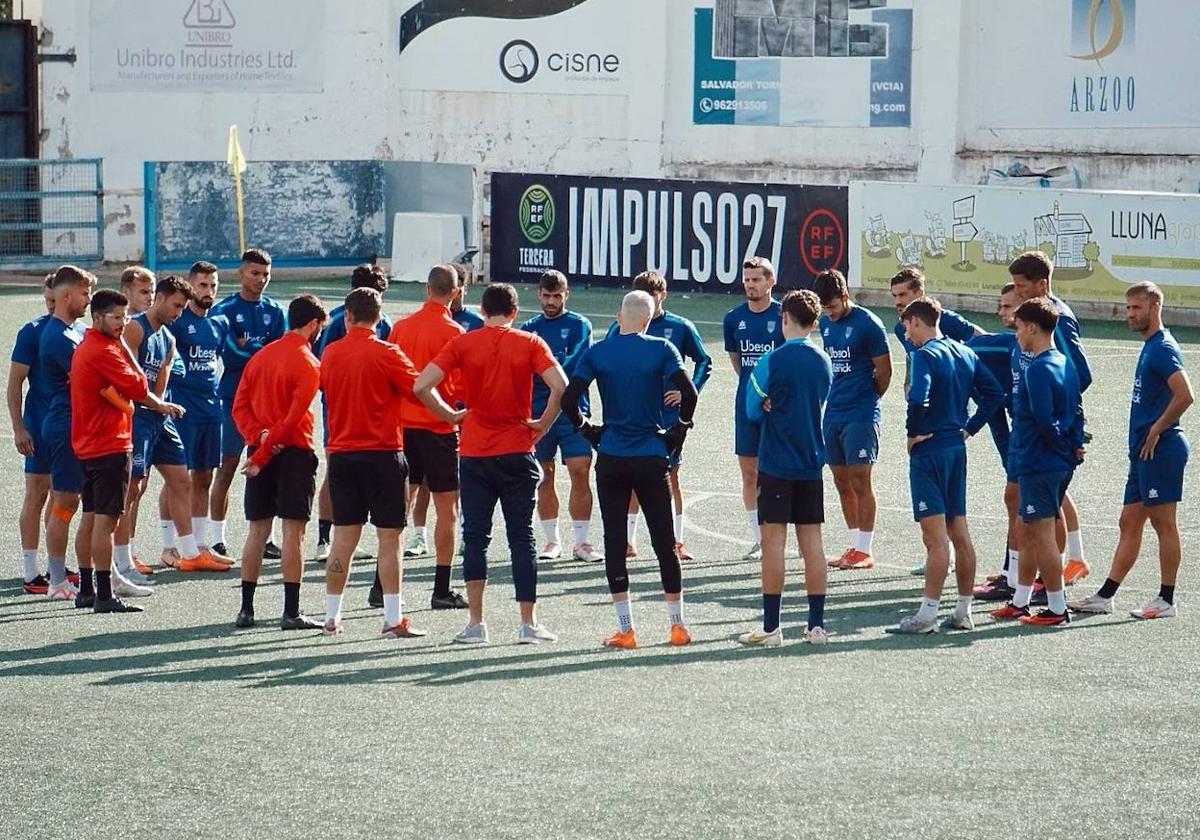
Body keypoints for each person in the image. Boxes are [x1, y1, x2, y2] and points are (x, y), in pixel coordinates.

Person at [415, 283, 566, 645]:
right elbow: (561, 386)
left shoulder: (464, 343)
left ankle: (477, 623)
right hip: (516, 449)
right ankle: (528, 623)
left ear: (482, 311)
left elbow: (422, 386)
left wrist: (452, 416)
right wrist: (542, 424)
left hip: (475, 453)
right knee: (522, 538)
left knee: (476, 538)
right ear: (514, 312)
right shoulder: (529, 342)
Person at [562, 290, 697, 649]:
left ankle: (626, 629)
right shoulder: (662, 350)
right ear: (649, 320)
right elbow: (690, 393)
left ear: (620, 317)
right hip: (652, 454)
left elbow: (568, 399)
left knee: (615, 540)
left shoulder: (599, 351)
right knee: (664, 543)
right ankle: (677, 625)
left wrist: (589, 431)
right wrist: (677, 433)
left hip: (613, 456)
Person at [1071, 282, 1193, 620]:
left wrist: (1157, 428)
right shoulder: (1150, 346)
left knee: (1164, 523)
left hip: (1161, 449)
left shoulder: (1162, 348)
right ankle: (1106, 595)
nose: (1129, 314)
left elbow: (1185, 396)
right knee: (1129, 521)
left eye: (1135, 308)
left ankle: (1167, 599)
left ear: (1154, 307)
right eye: (1127, 308)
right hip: (1143, 452)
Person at [885, 298, 1004, 634]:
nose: (906, 333)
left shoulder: (924, 355)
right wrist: (970, 427)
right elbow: (995, 395)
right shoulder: (966, 352)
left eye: (907, 326)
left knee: (935, 539)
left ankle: (926, 616)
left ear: (916, 322)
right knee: (960, 533)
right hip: (955, 447)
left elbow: (918, 396)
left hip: (930, 451)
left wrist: (913, 433)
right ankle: (963, 611)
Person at [69, 288, 184, 613]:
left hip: (89, 444)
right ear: (97, 318)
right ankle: (105, 594)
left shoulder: (86, 346)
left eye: (124, 317)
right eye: (115, 318)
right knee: (105, 522)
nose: (122, 323)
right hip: (109, 445)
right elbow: (138, 386)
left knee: (90, 519)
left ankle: (88, 589)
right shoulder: (106, 350)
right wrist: (123, 347)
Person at [320, 288, 426, 638]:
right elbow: (418, 389)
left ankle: (332, 618)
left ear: (347, 317)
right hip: (383, 455)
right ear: (379, 319)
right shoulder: (389, 353)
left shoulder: (331, 353)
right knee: (390, 540)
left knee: (342, 541)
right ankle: (392, 618)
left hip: (342, 455)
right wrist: (451, 412)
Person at [117, 275, 231, 580]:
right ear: (161, 298)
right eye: (176, 306)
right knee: (133, 488)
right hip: (137, 417)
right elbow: (125, 378)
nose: (179, 313)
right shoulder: (135, 328)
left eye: (182, 308)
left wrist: (161, 407)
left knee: (181, 480)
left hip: (158, 417)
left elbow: (162, 379)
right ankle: (123, 558)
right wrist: (156, 404)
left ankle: (190, 553)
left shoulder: (168, 337)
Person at [736, 290, 832, 647]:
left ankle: (772, 627)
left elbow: (750, 409)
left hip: (776, 463)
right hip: (810, 463)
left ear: (785, 319)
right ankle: (816, 625)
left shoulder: (770, 360)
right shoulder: (823, 360)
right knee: (814, 545)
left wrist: (768, 405)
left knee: (774, 544)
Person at [231, 294, 327, 630]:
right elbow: (292, 420)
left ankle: (246, 609)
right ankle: (291, 611)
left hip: (260, 448)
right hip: (294, 453)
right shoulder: (308, 363)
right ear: (314, 324)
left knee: (257, 529)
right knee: (293, 532)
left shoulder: (259, 357)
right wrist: (264, 450)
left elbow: (239, 407)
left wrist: (257, 439)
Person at [990, 297, 1084, 627]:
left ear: (1031, 327)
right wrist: (1071, 447)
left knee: (1042, 535)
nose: (1015, 335)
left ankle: (1058, 609)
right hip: (1054, 462)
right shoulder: (1064, 364)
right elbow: (1073, 413)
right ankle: (1020, 601)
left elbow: (1046, 421)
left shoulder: (1038, 369)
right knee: (1029, 531)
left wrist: (1059, 446)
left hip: (1038, 462)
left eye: (1018, 328)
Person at [609, 270, 712, 561]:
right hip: (633, 413)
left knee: (671, 476)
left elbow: (704, 360)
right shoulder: (623, 327)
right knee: (631, 475)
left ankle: (677, 540)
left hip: (668, 417)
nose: (647, 304)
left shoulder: (679, 327)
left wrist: (688, 392)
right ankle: (628, 541)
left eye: (652, 297)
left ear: (662, 295)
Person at [388, 263, 469, 610]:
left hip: (403, 427)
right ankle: (441, 587)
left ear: (426, 289)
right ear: (455, 293)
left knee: (397, 505)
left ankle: (382, 585)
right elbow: (463, 385)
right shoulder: (455, 333)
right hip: (439, 427)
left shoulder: (401, 328)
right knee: (447, 509)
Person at [1009, 251, 1092, 585]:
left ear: (1043, 283)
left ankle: (1053, 576)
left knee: (1044, 499)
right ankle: (1042, 572)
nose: (1017, 294)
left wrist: (1060, 417)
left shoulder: (1059, 318)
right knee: (1038, 497)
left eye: (1022, 287)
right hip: (1038, 428)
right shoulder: (1032, 317)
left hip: (1049, 431)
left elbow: (1078, 374)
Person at [210, 249, 287, 560]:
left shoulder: (275, 311)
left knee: (267, 466)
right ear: (240, 273)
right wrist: (259, 350)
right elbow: (230, 354)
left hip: (267, 402)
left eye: (266, 274)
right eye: (255, 273)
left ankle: (264, 537)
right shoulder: (224, 311)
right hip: (232, 398)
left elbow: (282, 353)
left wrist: (250, 347)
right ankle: (217, 539)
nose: (261, 280)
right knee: (227, 465)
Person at [314, 263, 393, 563]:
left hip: (372, 407)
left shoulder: (384, 322)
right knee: (336, 467)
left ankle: (349, 535)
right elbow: (323, 363)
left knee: (362, 471)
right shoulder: (336, 321)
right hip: (340, 404)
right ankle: (324, 539)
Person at [519, 270, 600, 563]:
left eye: (557, 295)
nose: (551, 301)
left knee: (580, 471)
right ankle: (552, 541)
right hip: (538, 412)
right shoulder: (529, 328)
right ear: (538, 294)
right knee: (544, 475)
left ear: (567, 295)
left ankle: (582, 542)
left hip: (573, 413)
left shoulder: (580, 326)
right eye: (546, 295)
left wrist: (545, 372)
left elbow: (573, 365)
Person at [814, 269, 892, 570]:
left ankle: (865, 549)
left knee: (861, 479)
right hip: (833, 411)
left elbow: (884, 372)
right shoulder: (825, 324)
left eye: (833, 306)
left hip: (861, 412)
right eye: (825, 308)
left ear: (845, 296)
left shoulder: (869, 324)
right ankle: (853, 545)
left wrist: (868, 399)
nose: (829, 313)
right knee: (839, 479)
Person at [167, 261, 231, 559]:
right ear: (192, 287)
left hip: (212, 410)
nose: (209, 291)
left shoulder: (220, 324)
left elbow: (215, 362)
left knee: (204, 476)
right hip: (183, 409)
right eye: (203, 285)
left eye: (213, 286)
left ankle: (200, 544)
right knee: (177, 478)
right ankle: (170, 546)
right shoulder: (177, 324)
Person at [38, 265, 95, 603]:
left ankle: (93, 573)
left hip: (84, 425)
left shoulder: (77, 330)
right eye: (85, 293)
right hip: (66, 426)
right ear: (67, 296)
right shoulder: (57, 336)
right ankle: (56, 578)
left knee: (89, 503)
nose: (88, 300)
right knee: (64, 503)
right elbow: (89, 380)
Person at [723, 257, 784, 561]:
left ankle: (784, 534)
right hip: (746, 405)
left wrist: (775, 393)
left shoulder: (784, 315)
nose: (750, 284)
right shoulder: (733, 319)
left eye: (756, 279)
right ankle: (759, 539)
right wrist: (755, 392)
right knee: (749, 473)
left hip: (780, 408)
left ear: (770, 282)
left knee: (780, 471)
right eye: (746, 279)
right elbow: (739, 362)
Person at [968, 284, 1022, 601]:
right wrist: (1009, 458)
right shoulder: (990, 351)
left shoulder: (1025, 352)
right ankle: (1015, 572)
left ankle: (1020, 576)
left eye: (1008, 307)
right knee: (1026, 498)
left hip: (1040, 439)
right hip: (1028, 439)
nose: (1002, 313)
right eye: (1000, 307)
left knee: (1029, 501)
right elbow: (995, 410)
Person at [8, 276, 57, 593]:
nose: (53, 306)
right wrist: (19, 428)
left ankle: (56, 563)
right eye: (49, 300)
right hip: (39, 428)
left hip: (70, 430)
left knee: (66, 496)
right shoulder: (32, 331)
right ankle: (29, 571)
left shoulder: (79, 332)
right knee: (36, 495)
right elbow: (14, 386)